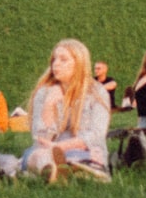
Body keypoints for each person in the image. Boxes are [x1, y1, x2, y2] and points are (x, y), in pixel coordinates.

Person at [22, 39, 112, 182]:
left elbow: (96, 134)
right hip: (47, 152)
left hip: (84, 151)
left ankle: (76, 168)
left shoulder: (98, 93)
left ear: (79, 64)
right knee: (35, 156)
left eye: (63, 60)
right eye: (54, 59)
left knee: (91, 155)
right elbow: (40, 137)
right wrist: (49, 106)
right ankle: (53, 171)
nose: (56, 64)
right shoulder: (44, 93)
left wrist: (60, 147)